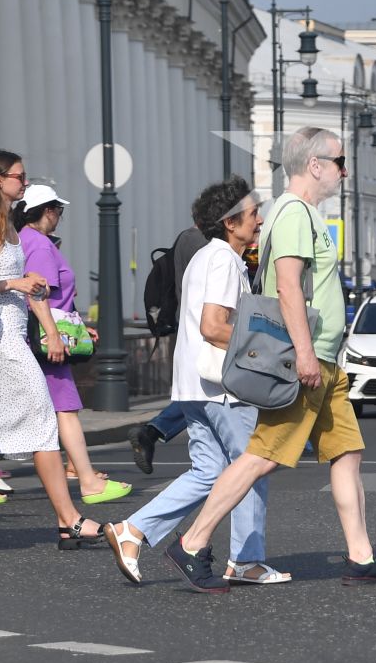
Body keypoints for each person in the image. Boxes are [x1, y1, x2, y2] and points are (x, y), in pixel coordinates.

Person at [165, 128, 376, 592]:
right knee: (261, 456)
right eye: (341, 162)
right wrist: (302, 354)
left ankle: (361, 555)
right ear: (316, 165)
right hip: (309, 361)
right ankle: (191, 543)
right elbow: (287, 286)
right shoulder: (294, 214)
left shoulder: (303, 215)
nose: (345, 171)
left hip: (325, 360)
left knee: (346, 452)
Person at [106, 177, 283, 585]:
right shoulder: (222, 259)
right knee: (250, 467)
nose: (259, 221)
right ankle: (246, 559)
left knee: (208, 471)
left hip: (193, 384)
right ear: (229, 221)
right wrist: (263, 353)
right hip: (224, 387)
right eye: (254, 213)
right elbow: (213, 326)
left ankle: (133, 530)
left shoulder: (207, 257)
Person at [0, 150, 105, 546]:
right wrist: (10, 285)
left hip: (14, 335)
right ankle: (69, 520)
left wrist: (49, 330)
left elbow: (31, 287)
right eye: (19, 176)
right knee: (43, 420)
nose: (25, 183)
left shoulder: (11, 228)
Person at [10, 180, 127, 506]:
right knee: (66, 410)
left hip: (38, 335)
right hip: (50, 341)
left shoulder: (23, 241)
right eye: (57, 210)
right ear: (46, 212)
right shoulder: (42, 246)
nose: (59, 216)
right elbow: (42, 296)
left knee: (14, 411)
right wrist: (60, 334)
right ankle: (87, 481)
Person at [126, 215, 216, 474]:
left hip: (192, 324)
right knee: (205, 392)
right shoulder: (199, 241)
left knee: (200, 392)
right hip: (203, 326)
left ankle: (153, 431)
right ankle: (153, 431)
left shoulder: (187, 238)